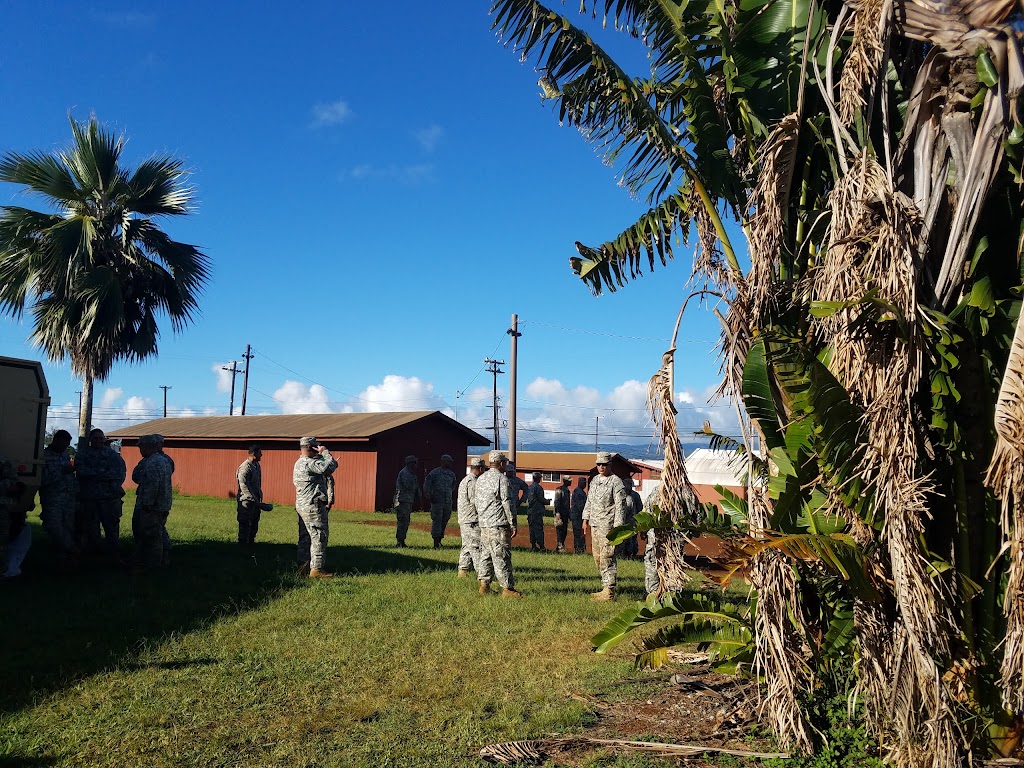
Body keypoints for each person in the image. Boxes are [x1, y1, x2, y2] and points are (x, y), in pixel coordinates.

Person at [473, 450, 522, 598]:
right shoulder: (502, 479)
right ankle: (507, 589)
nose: (506, 465)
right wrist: (513, 523)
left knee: (486, 555)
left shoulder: (481, 479)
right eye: (505, 463)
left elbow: (476, 501)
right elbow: (507, 502)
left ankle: (484, 585)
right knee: (502, 556)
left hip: (484, 524)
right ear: (500, 464)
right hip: (498, 524)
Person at [75, 428, 127, 559]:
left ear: (104, 439)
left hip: (110, 499)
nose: (98, 440)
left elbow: (119, 474)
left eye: (101, 438)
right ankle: (94, 555)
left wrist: (95, 474)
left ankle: (115, 555)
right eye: (95, 438)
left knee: (112, 529)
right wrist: (104, 474)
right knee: (91, 528)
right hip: (90, 498)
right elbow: (81, 471)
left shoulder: (113, 455)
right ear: (90, 440)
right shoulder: (82, 454)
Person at [582, 452, 627, 601]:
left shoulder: (616, 482)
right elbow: (589, 500)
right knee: (597, 557)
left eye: (604, 464)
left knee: (607, 557)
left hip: (608, 526)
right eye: (599, 464)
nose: (601, 467)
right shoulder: (595, 480)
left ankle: (609, 591)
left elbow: (621, 506)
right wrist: (585, 518)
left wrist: (618, 528)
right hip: (595, 524)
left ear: (610, 465)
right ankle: (604, 586)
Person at [292, 437, 338, 578]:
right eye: (316, 446)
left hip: (302, 505)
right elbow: (328, 467)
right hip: (313, 506)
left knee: (305, 536)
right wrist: (325, 453)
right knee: (319, 536)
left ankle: (303, 565)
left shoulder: (299, 462)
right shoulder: (309, 463)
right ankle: (316, 569)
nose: (318, 448)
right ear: (310, 447)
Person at [132, 434, 174, 570]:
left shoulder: (152, 462)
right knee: (157, 532)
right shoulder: (164, 461)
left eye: (141, 447)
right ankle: (161, 560)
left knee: (151, 537)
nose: (140, 450)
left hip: (152, 507)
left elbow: (152, 485)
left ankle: (152, 565)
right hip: (163, 504)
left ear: (147, 446)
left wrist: (147, 504)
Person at [39, 429, 78, 563]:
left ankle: (63, 559)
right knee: (53, 525)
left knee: (68, 527)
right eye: (63, 444)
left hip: (68, 497)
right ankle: (72, 548)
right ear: (55, 441)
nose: (64, 447)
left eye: (67, 445)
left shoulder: (65, 455)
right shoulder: (43, 456)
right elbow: (42, 480)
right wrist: (62, 471)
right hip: (52, 498)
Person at [457, 457, 490, 583]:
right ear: (480, 469)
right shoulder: (473, 482)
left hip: (466, 519)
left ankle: (463, 571)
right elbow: (475, 501)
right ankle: (482, 576)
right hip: (471, 519)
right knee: (476, 547)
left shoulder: (466, 480)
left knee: (467, 546)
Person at [236, 445, 271, 550]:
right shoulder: (245, 468)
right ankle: (242, 546)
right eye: (260, 453)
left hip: (256, 500)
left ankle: (251, 544)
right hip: (246, 501)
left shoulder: (256, 465)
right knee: (245, 523)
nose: (262, 455)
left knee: (254, 523)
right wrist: (255, 500)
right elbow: (244, 487)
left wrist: (259, 499)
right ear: (254, 454)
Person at [424, 454, 457, 548]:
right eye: (449, 462)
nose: (450, 463)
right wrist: (429, 495)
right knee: (437, 520)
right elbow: (427, 484)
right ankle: (435, 541)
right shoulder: (434, 473)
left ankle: (440, 539)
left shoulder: (451, 474)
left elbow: (453, 486)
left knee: (445, 519)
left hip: (447, 501)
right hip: (437, 501)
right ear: (443, 461)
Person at [393, 455, 421, 547]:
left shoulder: (411, 473)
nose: (416, 465)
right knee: (403, 522)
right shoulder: (405, 473)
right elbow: (410, 486)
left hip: (407, 500)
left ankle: (402, 541)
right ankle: (400, 542)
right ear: (410, 464)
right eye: (415, 463)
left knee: (405, 521)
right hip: (402, 500)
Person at [618, 477, 642, 559]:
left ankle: (627, 555)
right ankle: (629, 555)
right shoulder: (631, 496)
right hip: (631, 521)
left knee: (628, 540)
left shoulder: (629, 497)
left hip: (628, 521)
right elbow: (639, 508)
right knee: (630, 540)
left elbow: (639, 508)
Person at [505, 461, 528, 536]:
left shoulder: (517, 481)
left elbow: (526, 489)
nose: (510, 473)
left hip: (514, 505)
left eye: (511, 471)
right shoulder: (502, 480)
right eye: (508, 471)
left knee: (513, 524)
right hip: (503, 506)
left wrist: (522, 500)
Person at [526, 472, 547, 550]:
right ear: (538, 478)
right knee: (538, 528)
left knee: (531, 529)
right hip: (537, 511)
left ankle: (533, 545)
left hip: (530, 511)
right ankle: (541, 546)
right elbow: (541, 499)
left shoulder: (529, 487)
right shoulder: (538, 488)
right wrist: (547, 502)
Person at [552, 476, 571, 553]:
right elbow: (557, 502)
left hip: (565, 514)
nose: (570, 482)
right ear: (564, 481)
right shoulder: (559, 490)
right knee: (560, 531)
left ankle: (561, 545)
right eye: (569, 481)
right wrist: (557, 513)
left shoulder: (567, 490)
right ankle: (560, 547)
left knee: (564, 531)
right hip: (560, 514)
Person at [570, 477, 588, 553]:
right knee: (578, 534)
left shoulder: (582, 492)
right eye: (583, 483)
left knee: (581, 533)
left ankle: (581, 549)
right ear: (579, 483)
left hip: (580, 516)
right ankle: (578, 549)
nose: (585, 484)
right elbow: (580, 506)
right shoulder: (578, 492)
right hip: (577, 516)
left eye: (585, 483)